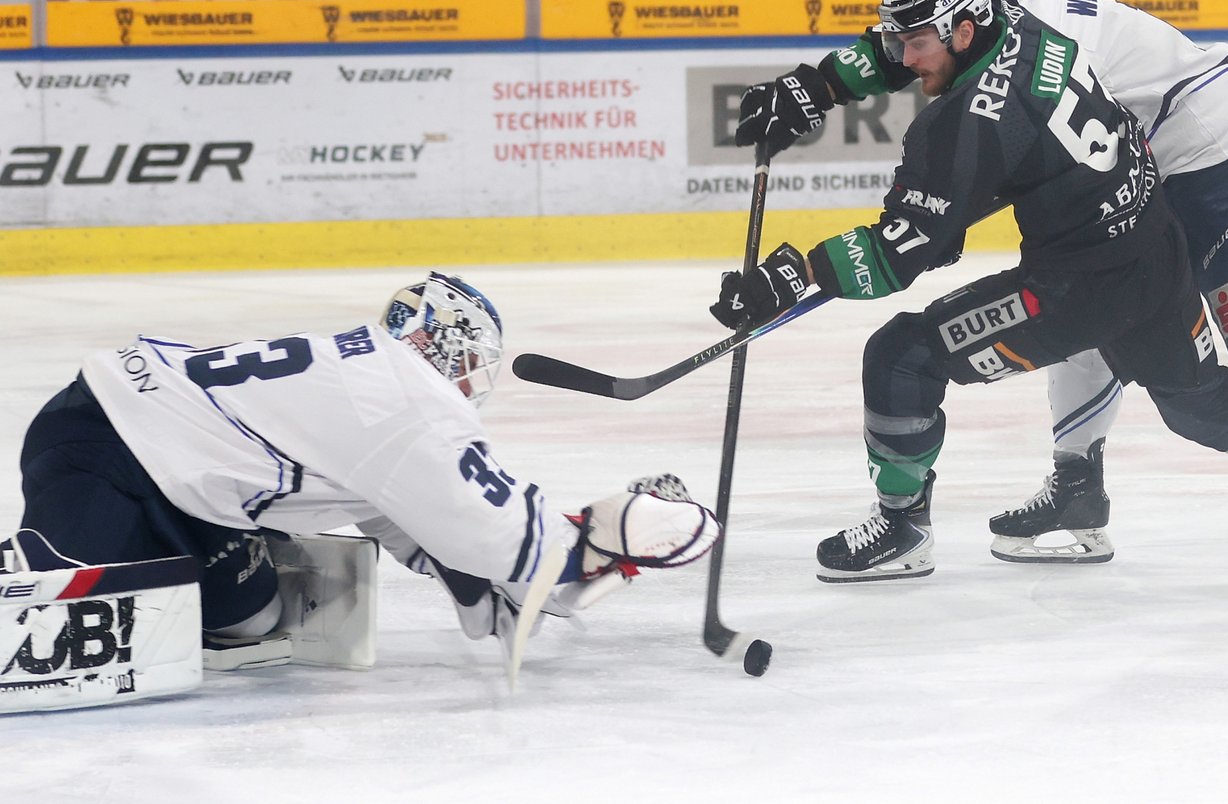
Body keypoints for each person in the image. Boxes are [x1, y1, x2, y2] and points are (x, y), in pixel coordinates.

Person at [733, 0, 1228, 576]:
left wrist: (798, 269)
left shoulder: (973, 114)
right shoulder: (1021, 24)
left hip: (1215, 156)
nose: (900, 56)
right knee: (1177, 389)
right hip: (1145, 225)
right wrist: (818, 85)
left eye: (915, 40)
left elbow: (916, 228)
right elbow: (911, 56)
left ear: (967, 20)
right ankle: (1081, 479)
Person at [2, 272, 718, 710]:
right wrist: (616, 534)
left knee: (251, 624)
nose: (476, 382)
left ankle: (164, 577)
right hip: (104, 444)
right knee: (40, 617)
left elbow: (425, 526)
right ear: (453, 346)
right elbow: (509, 538)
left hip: (180, 479)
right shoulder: (403, 402)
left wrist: (505, 589)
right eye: (476, 363)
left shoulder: (368, 376)